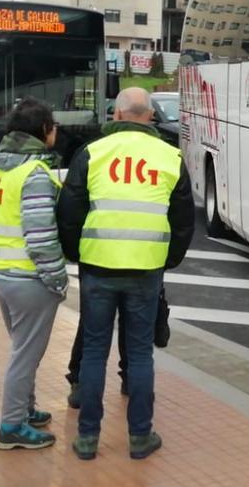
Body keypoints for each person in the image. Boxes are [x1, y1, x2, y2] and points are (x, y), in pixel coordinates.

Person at [58, 87, 194, 461]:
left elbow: (69, 210)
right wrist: (169, 259)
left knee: (94, 352)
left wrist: (76, 253)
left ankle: (87, 439)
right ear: (150, 116)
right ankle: (140, 437)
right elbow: (183, 221)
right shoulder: (170, 157)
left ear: (116, 115)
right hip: (146, 269)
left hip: (97, 267)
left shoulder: (92, 153)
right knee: (139, 355)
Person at [0, 97, 70, 450]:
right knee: (25, 354)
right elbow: (40, 236)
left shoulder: (5, 167)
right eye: (52, 127)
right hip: (28, 277)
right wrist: (58, 279)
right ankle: (12, 425)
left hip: (1, 271)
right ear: (44, 132)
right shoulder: (35, 173)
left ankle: (26, 408)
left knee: (24, 348)